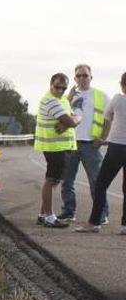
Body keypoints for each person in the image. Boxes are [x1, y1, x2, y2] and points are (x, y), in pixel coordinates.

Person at [75, 72, 126, 234]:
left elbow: (107, 116)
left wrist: (105, 138)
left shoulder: (117, 99)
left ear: (122, 84)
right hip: (119, 145)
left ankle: (94, 222)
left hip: (117, 147)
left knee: (101, 184)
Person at [58, 64, 109, 223]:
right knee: (67, 181)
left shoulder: (100, 95)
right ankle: (68, 211)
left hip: (91, 145)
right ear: (74, 79)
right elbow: (59, 116)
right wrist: (68, 98)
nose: (82, 78)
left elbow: (109, 119)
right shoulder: (68, 97)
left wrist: (103, 138)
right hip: (70, 144)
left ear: (91, 77)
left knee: (96, 182)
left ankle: (102, 214)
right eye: (78, 76)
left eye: (85, 75)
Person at [35, 73, 80, 228]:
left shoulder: (62, 100)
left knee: (53, 180)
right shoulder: (51, 101)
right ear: (50, 84)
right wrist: (71, 121)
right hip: (54, 148)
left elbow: (75, 117)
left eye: (63, 88)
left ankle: (42, 214)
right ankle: (49, 217)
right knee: (51, 180)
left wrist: (70, 121)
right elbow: (72, 120)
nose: (60, 90)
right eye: (57, 87)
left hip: (61, 147)